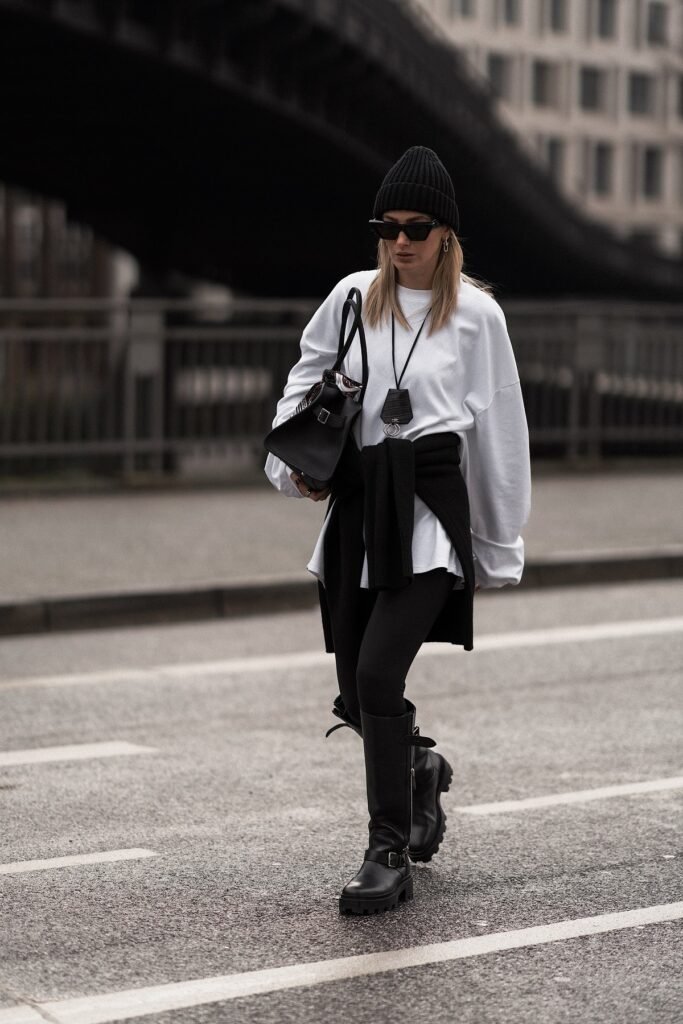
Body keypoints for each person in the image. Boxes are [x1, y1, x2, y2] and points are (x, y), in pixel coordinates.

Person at [265, 146, 531, 915]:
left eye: (416, 227)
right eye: (387, 227)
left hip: (428, 510)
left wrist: (497, 541)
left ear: (446, 234)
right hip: (357, 502)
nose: (400, 241)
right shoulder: (351, 297)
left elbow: (499, 430)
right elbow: (305, 379)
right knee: (354, 690)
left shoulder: (478, 317)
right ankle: (417, 770)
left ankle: (386, 853)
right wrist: (291, 465)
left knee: (379, 676)